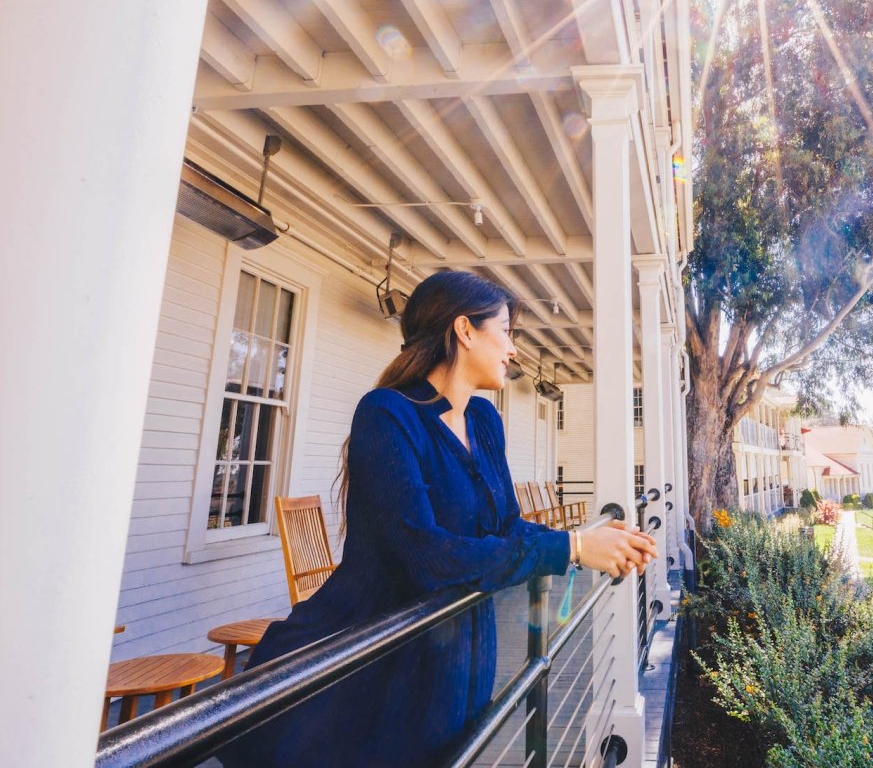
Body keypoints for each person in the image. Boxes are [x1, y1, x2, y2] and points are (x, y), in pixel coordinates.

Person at [220, 270, 657, 766]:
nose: (513, 350)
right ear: (465, 330)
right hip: (372, 677)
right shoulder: (386, 415)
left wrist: (587, 539)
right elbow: (426, 558)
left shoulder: (485, 422)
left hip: (460, 669)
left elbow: (506, 526)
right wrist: (572, 550)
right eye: (507, 331)